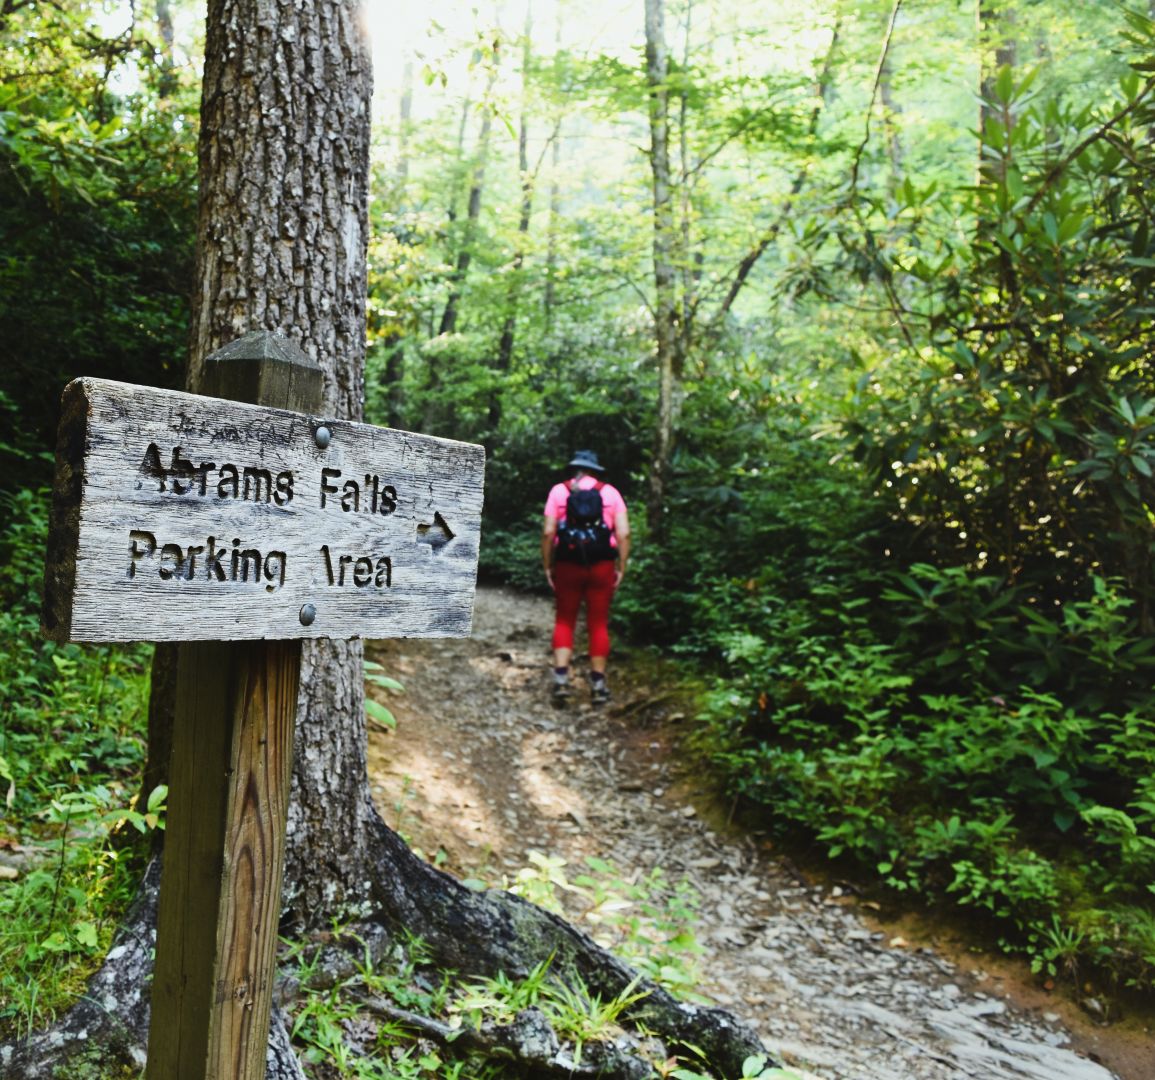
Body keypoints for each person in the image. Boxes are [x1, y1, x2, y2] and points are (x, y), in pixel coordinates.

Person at [542, 449, 630, 705]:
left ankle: (561, 680)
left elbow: (549, 532)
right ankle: (598, 686)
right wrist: (621, 565)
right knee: (598, 623)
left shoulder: (559, 491)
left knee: (565, 620)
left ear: (575, 469)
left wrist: (548, 565)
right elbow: (623, 533)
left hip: (567, 564)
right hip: (602, 564)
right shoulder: (610, 493)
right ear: (595, 469)